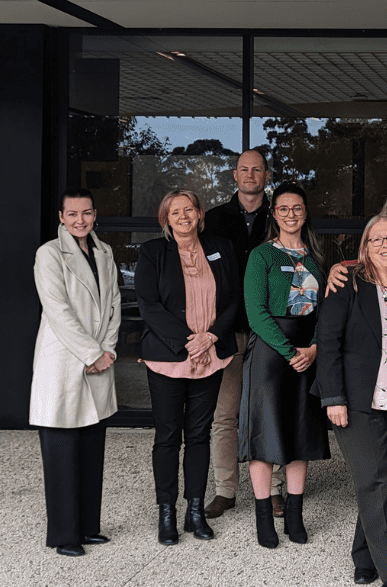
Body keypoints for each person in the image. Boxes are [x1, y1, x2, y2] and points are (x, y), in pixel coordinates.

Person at [316, 216, 387, 587]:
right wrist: (333, 398)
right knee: (376, 482)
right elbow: (327, 343)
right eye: (375, 239)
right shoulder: (348, 284)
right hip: (357, 401)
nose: (385, 245)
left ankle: (364, 557)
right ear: (365, 247)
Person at [135, 189, 241, 545]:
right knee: (168, 437)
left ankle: (194, 510)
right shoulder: (152, 252)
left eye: (189, 209)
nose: (184, 216)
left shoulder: (221, 247)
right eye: (175, 211)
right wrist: (187, 340)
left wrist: (209, 337)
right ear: (166, 219)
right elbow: (149, 306)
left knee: (198, 435)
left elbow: (235, 299)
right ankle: (166, 511)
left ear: (199, 214)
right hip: (168, 358)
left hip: (211, 354)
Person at [30, 189, 121, 557]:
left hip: (100, 359)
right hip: (65, 362)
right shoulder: (49, 254)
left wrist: (109, 350)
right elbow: (57, 311)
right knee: (62, 452)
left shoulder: (104, 252)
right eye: (72, 214)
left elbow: (114, 302)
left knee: (90, 448)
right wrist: (92, 353)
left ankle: (88, 527)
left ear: (95, 214)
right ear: (61, 216)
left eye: (86, 213)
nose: (80, 220)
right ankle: (65, 536)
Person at [241, 182, 331, 548]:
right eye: (283, 208)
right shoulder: (261, 256)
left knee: (300, 433)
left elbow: (328, 310)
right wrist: (289, 350)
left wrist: (313, 348)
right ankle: (264, 518)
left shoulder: (318, 258)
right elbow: (255, 312)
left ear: (305, 212)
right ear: (273, 213)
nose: (290, 214)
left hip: (308, 351)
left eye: (297, 208)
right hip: (269, 352)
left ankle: (295, 515)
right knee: (265, 434)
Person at [201, 149, 284, 520]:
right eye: (244, 169)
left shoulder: (280, 217)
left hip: (271, 328)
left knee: (273, 411)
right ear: (234, 175)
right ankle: (225, 490)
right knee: (225, 414)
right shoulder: (214, 220)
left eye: (257, 169)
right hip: (229, 330)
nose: (250, 175)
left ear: (267, 176)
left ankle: (277, 490)